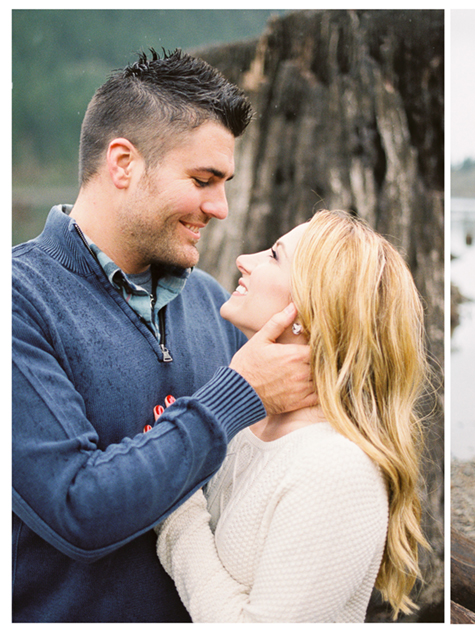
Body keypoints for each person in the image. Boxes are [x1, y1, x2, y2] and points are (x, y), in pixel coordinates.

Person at [12, 49, 316, 622]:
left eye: (224, 183)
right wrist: (237, 394)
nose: (220, 207)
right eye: (203, 180)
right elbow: (75, 508)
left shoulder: (210, 302)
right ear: (123, 163)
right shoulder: (19, 302)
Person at [153, 209, 428, 622]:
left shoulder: (337, 470)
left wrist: (177, 509)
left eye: (275, 256)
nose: (245, 259)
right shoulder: (244, 427)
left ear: (313, 307)